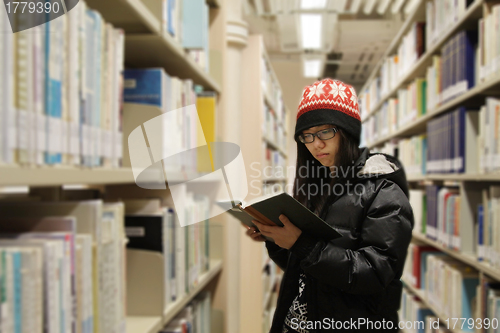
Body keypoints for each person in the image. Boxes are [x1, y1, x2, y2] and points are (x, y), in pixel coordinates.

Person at [245, 78, 414, 332]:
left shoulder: (384, 192)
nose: (316, 144)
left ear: (346, 131)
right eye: (307, 136)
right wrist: (275, 236)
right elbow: (306, 272)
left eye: (325, 132)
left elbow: (377, 273)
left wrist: (301, 244)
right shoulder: (316, 186)